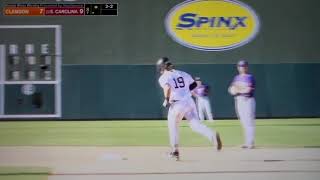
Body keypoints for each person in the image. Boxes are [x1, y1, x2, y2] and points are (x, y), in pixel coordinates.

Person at [157, 57, 222, 161]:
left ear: (162, 67)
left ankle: (175, 152)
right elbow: (194, 85)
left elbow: (167, 87)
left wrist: (167, 99)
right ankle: (212, 136)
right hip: (189, 102)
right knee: (195, 125)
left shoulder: (164, 76)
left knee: (173, 125)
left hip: (177, 104)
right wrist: (184, 92)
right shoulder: (182, 73)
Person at [228, 60, 256, 149]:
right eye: (240, 66)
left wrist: (238, 90)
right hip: (239, 101)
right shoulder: (236, 78)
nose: (242, 67)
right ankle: (246, 142)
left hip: (247, 100)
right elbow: (231, 90)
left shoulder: (250, 77)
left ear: (247, 67)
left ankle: (250, 143)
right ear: (238, 67)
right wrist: (237, 90)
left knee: (249, 122)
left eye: (244, 66)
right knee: (243, 122)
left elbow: (248, 90)